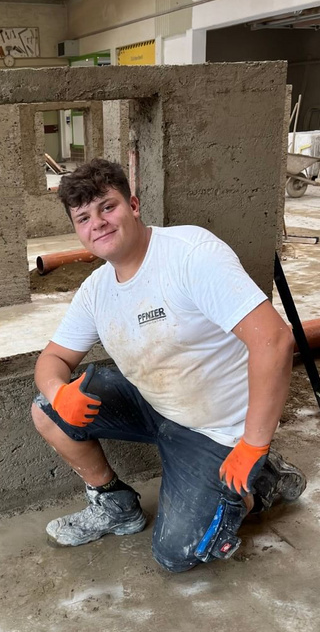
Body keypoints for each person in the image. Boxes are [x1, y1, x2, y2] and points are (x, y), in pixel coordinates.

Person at [31, 158, 305, 572]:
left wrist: (253, 443)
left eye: (108, 207)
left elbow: (275, 340)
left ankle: (261, 480)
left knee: (176, 554)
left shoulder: (190, 254)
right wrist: (57, 391)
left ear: (134, 205)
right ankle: (115, 506)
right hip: (154, 407)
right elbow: (51, 359)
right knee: (45, 410)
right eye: (84, 217)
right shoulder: (96, 290)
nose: (98, 223)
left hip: (216, 430)